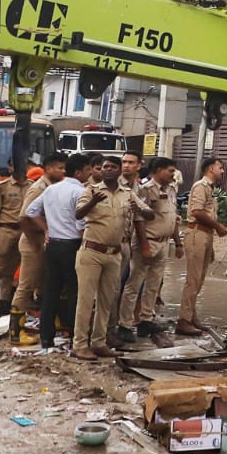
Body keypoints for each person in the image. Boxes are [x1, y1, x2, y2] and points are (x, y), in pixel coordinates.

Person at [73, 155, 149, 360]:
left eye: (112, 167)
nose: (107, 170)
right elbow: (78, 214)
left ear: (118, 171)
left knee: (107, 301)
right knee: (86, 300)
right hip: (92, 252)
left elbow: (148, 213)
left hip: (114, 254)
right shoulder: (91, 190)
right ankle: (79, 344)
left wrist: (141, 210)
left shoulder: (128, 193)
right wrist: (93, 202)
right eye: (104, 167)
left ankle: (98, 342)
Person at [25, 153, 90, 350]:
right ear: (78, 172)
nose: (89, 173)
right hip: (72, 245)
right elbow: (81, 223)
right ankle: (72, 334)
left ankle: (46, 338)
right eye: (88, 170)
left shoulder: (51, 189)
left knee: (51, 291)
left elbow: (31, 211)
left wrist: (47, 229)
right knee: (74, 291)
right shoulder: (80, 192)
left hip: (53, 244)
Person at [120, 156, 183, 347]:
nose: (173, 174)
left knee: (153, 285)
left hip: (164, 244)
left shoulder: (171, 190)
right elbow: (139, 219)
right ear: (158, 171)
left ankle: (145, 320)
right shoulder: (145, 190)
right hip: (147, 242)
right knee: (134, 283)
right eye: (170, 171)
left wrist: (178, 243)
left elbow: (172, 219)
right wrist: (145, 246)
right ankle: (124, 324)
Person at [11, 153, 64, 342]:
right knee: (25, 286)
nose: (63, 171)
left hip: (42, 240)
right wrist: (35, 242)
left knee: (43, 283)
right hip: (33, 241)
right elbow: (24, 217)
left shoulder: (52, 187)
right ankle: (16, 333)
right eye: (59, 168)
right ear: (48, 168)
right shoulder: (38, 188)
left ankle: (42, 322)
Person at [178, 157, 227, 336]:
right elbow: (196, 212)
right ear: (210, 169)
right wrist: (218, 227)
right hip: (197, 233)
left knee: (199, 279)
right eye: (220, 167)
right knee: (193, 279)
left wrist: (211, 242)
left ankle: (190, 316)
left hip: (205, 235)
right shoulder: (201, 186)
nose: (222, 171)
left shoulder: (210, 189)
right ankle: (183, 320)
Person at [0, 160, 33, 318]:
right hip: (6, 231)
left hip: (24, 232)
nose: (16, 168)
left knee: (11, 271)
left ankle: (4, 303)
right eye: (13, 165)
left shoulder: (32, 186)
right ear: (10, 168)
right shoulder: (2, 187)